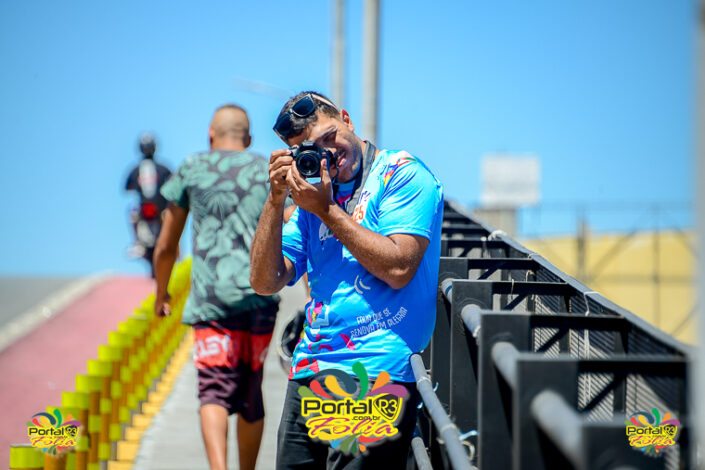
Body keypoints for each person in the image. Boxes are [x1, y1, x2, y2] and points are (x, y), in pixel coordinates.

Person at [250, 91, 444, 468]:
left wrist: (326, 210)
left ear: (347, 119)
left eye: (329, 137)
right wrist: (275, 201)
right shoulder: (312, 195)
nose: (327, 152)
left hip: (376, 372)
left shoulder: (401, 173)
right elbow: (265, 281)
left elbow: (399, 268)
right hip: (310, 370)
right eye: (310, 150)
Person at [153, 104, 279, 470]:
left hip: (211, 299)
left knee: (214, 387)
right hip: (259, 296)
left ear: (211, 134)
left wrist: (162, 293)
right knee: (251, 388)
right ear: (248, 138)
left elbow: (166, 245)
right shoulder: (264, 170)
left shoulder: (193, 167)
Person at [124, 132, 172, 276]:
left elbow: (127, 188)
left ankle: (137, 242)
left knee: (132, 214)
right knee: (172, 218)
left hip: (148, 211)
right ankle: (174, 247)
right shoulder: (163, 168)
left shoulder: (135, 169)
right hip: (159, 210)